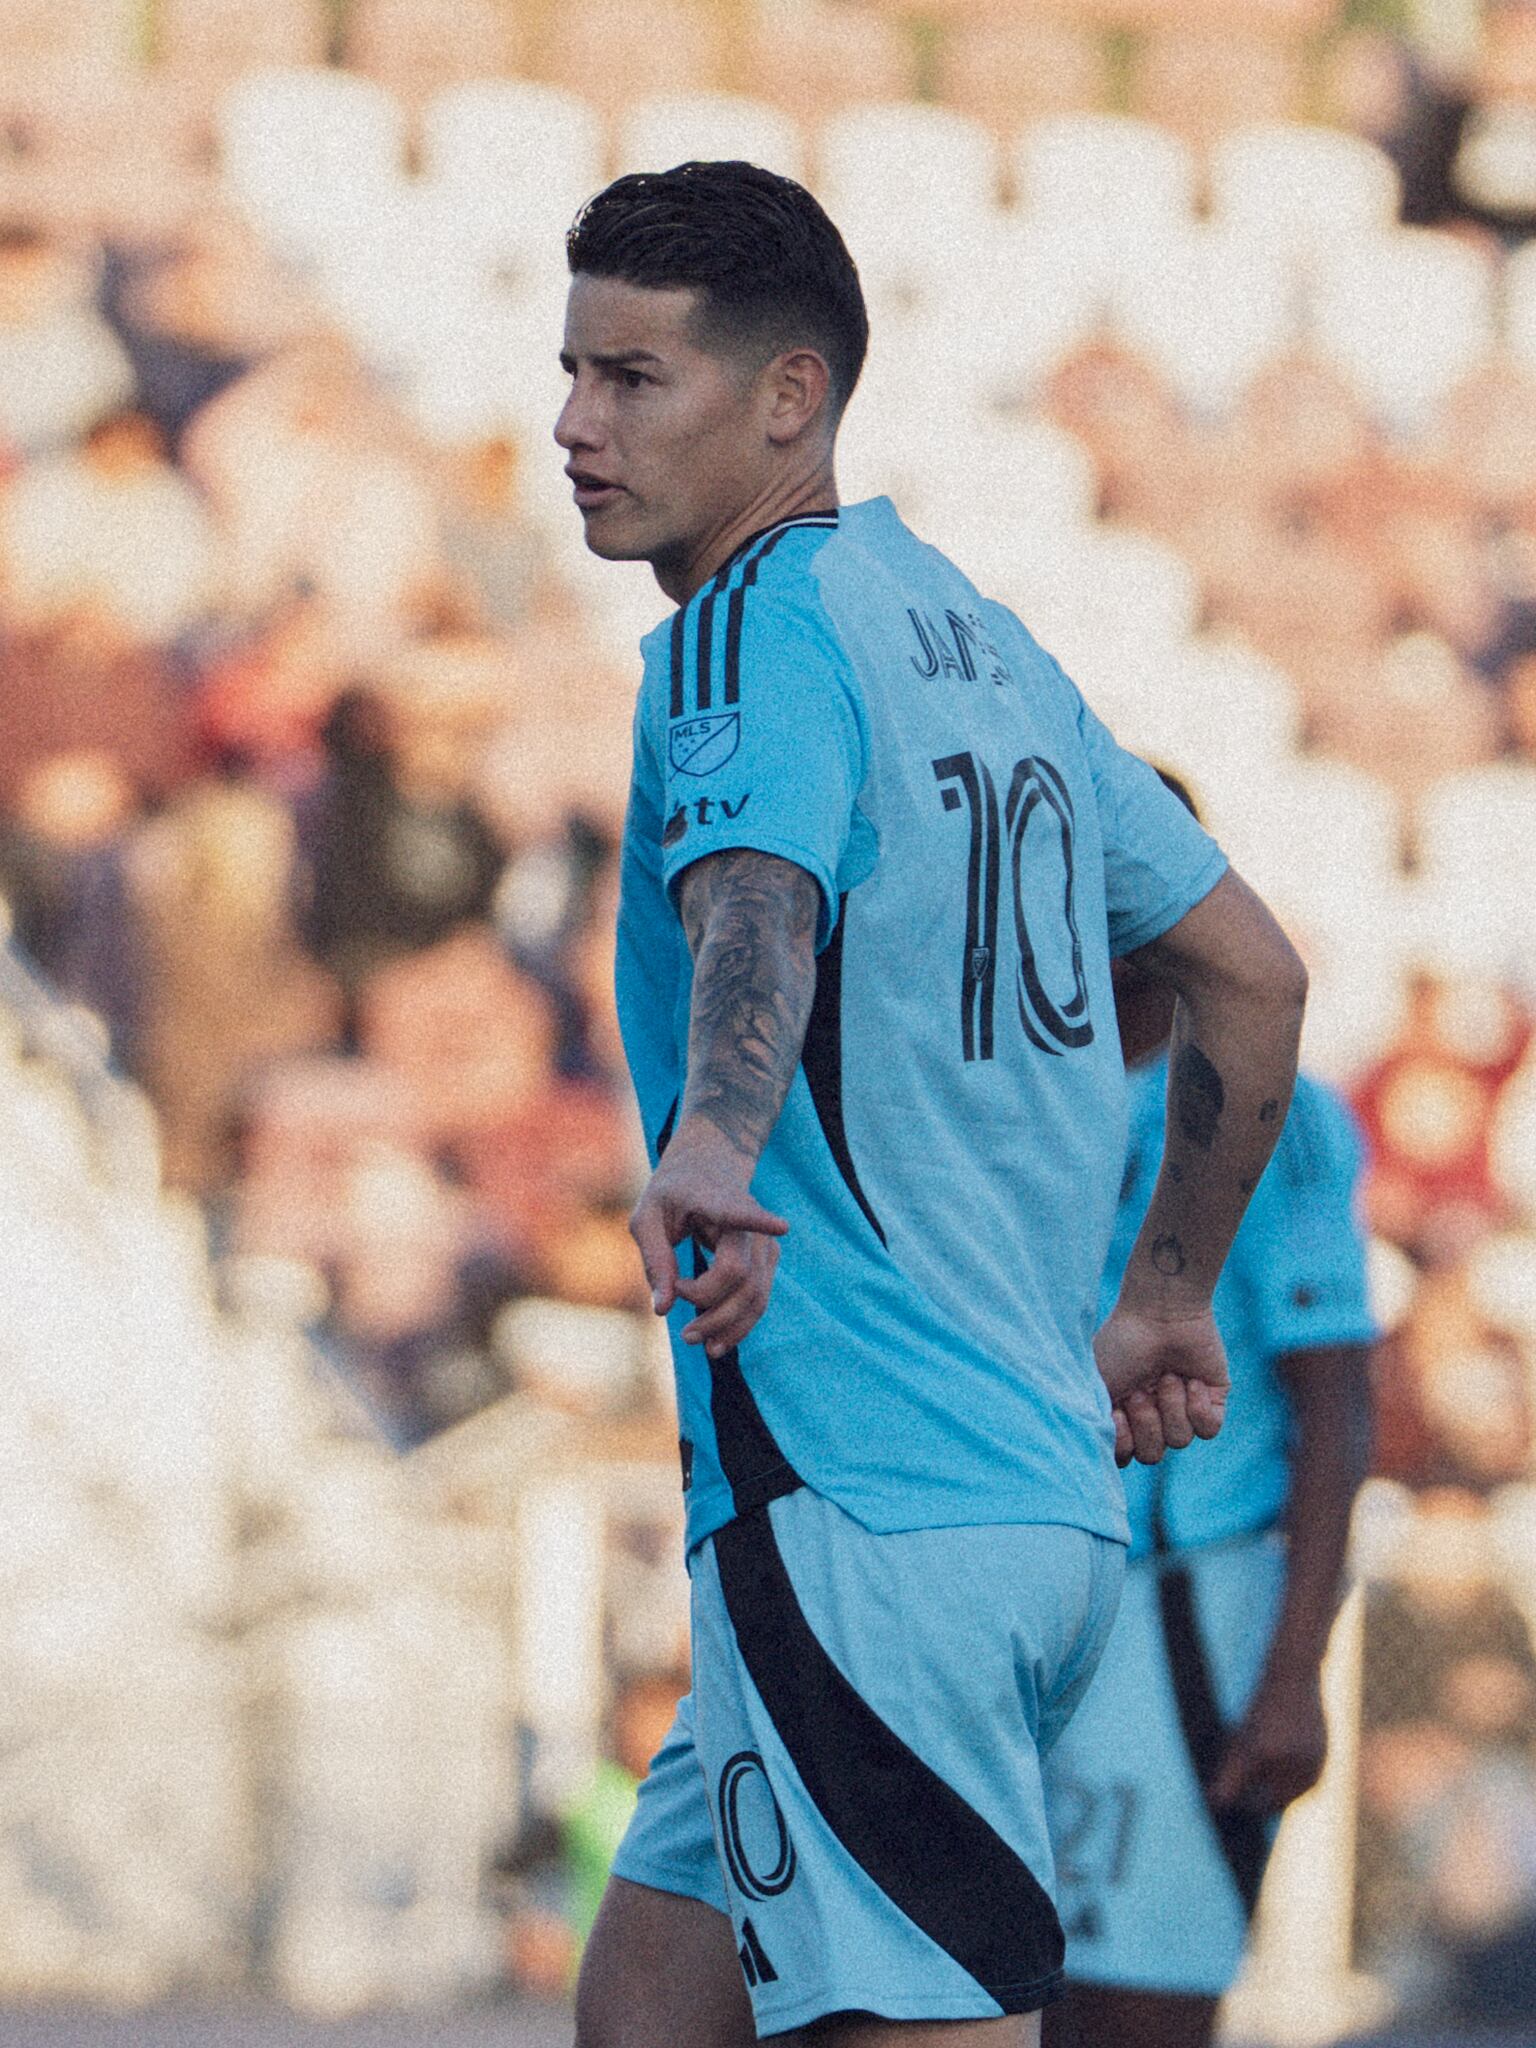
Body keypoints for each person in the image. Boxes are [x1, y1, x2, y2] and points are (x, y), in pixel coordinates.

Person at [553, 161, 1309, 2048]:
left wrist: (714, 1141)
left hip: (862, 1503)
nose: (575, 423)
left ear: (789, 396)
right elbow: (1255, 973)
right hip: (1023, 1511)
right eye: (569, 369)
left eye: (633, 378)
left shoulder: (750, 629)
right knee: (650, 1998)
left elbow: (758, 903)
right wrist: (1169, 1289)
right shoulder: (992, 649)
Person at [1039, 772, 1377, 2048]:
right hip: (1016, 1582)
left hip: (1181, 1599)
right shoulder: (1007, 1087)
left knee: (1140, 2004)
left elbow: (1337, 1397)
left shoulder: (1270, 1103)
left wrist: (1292, 1671)